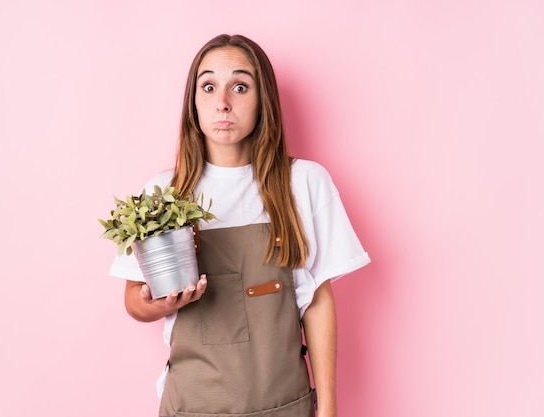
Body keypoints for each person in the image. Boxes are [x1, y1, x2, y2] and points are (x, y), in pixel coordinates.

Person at [109, 34, 370, 417]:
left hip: (285, 405)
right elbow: (134, 298)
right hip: (191, 405)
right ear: (193, 103)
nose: (223, 103)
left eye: (241, 86)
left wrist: (328, 409)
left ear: (262, 99)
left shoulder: (304, 183)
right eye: (209, 86)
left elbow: (317, 302)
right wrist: (157, 302)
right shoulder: (164, 194)